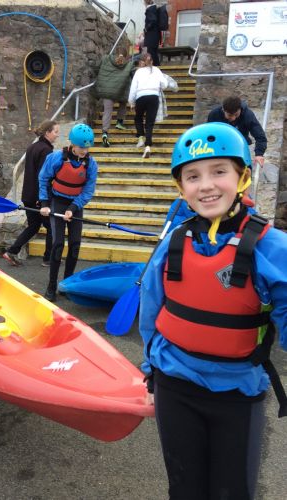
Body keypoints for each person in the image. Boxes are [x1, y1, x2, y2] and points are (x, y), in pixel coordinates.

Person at [139, 122, 287, 499]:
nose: (206, 185)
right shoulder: (174, 242)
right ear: (181, 187)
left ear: (242, 177)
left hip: (238, 392)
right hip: (174, 386)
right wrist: (150, 373)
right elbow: (151, 310)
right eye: (193, 176)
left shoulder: (273, 249)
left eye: (219, 171)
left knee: (233, 492)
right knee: (184, 489)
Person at [38, 123, 98, 302]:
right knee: (57, 244)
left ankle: (67, 284)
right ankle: (51, 286)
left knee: (75, 244)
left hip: (75, 205)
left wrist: (73, 208)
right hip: (57, 202)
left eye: (87, 147)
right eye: (81, 147)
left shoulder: (91, 164)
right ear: (72, 144)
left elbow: (88, 191)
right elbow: (43, 178)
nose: (84, 151)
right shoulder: (56, 158)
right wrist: (44, 203)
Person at [2, 120, 59, 267]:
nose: (57, 135)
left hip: (28, 195)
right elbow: (43, 177)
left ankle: (12, 252)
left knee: (33, 226)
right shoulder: (46, 151)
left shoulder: (32, 147)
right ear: (47, 133)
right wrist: (43, 200)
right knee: (52, 227)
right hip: (38, 197)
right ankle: (48, 259)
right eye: (55, 132)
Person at [207, 95, 267, 167]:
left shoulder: (248, 115)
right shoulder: (214, 114)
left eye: (236, 114)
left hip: (241, 147)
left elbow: (260, 136)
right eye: (230, 115)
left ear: (240, 109)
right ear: (223, 110)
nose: (233, 118)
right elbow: (209, 135)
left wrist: (259, 154)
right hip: (219, 146)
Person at [91, 49, 134, 147]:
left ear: (115, 53)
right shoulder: (128, 64)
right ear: (126, 56)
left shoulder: (106, 59)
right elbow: (134, 75)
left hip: (106, 91)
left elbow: (97, 69)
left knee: (107, 111)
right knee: (123, 102)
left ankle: (105, 133)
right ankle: (119, 122)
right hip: (120, 89)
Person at [128, 52, 167, 159]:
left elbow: (133, 88)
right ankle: (148, 146)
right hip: (154, 97)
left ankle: (141, 137)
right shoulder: (157, 70)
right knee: (149, 123)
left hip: (141, 97)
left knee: (138, 118)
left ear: (142, 61)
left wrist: (131, 102)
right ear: (152, 61)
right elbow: (164, 85)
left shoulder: (138, 72)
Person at [143, 0, 161, 66]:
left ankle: (154, 68)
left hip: (151, 35)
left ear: (146, 2)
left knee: (151, 52)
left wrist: (146, 29)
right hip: (155, 35)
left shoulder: (150, 9)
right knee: (154, 53)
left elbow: (153, 20)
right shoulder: (154, 9)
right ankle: (157, 68)